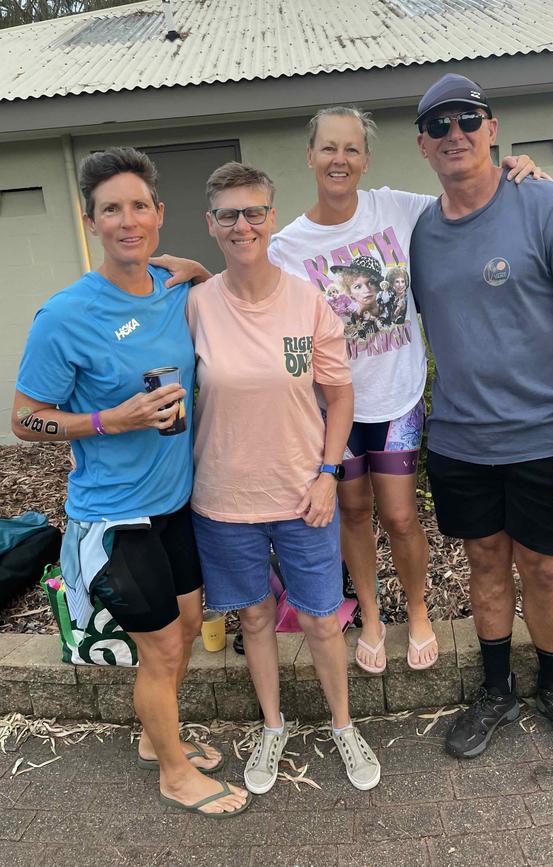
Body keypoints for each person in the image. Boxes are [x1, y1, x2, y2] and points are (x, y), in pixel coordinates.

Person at [153, 112, 542, 677]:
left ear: (366, 159)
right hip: (329, 405)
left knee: (403, 517)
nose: (340, 159)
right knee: (353, 514)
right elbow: (246, 283)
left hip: (395, 398)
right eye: (329, 148)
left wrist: (517, 171)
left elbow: (467, 194)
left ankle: (418, 610)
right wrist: (196, 273)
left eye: (352, 149)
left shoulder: (397, 209)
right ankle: (375, 617)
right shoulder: (287, 244)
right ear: (310, 156)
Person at [11, 147, 250, 817]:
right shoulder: (65, 315)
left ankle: (157, 733)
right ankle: (173, 770)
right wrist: (108, 419)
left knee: (191, 623)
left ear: (158, 213)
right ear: (91, 222)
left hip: (175, 503)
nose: (127, 220)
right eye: (110, 209)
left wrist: (203, 270)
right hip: (117, 515)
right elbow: (27, 419)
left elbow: (223, 294)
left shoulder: (175, 288)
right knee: (163, 644)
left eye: (138, 206)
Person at [409, 73, 553, 763]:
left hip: (543, 439)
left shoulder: (547, 205)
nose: (454, 134)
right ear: (422, 144)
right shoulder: (419, 232)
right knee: (485, 563)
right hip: (461, 441)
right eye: (438, 125)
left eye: (467, 119)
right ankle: (497, 688)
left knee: (544, 569)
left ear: (493, 129)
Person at [187, 161, 381, 794]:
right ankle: (273, 727)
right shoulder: (194, 306)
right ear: (211, 225)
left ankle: (342, 724)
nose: (243, 225)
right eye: (228, 215)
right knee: (255, 621)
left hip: (303, 495)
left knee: (324, 619)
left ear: (272, 217)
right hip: (222, 499)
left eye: (255, 212)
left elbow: (340, 396)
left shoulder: (308, 302)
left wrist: (329, 473)